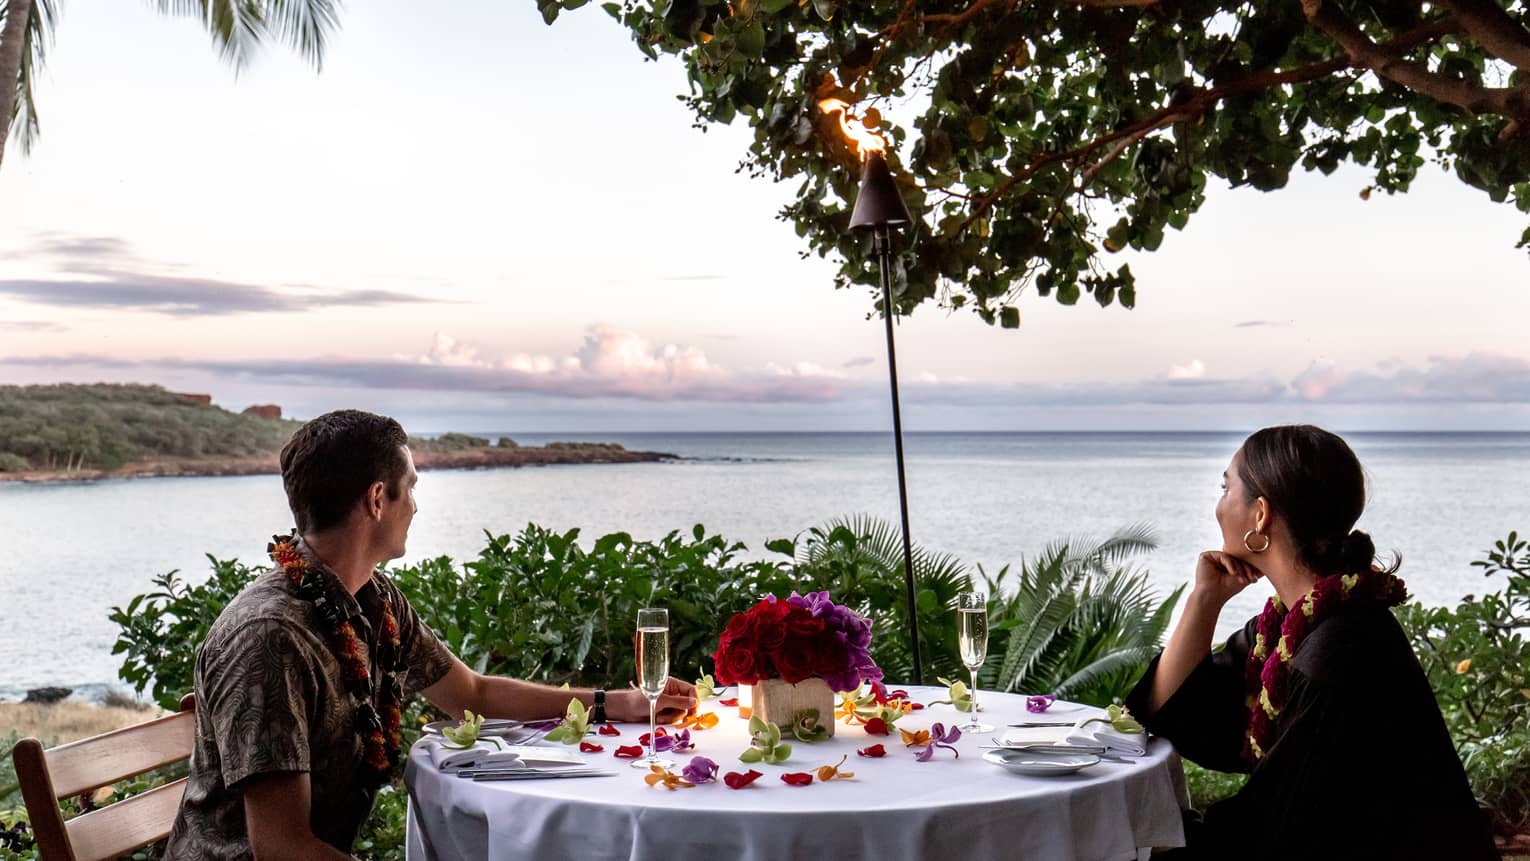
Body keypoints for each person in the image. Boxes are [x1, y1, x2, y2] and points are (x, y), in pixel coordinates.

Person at [164, 410, 695, 859]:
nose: (416, 505)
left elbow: (471, 694)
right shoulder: (271, 638)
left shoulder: (375, 600)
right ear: (378, 499)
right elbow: (282, 848)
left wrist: (616, 704)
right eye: (411, 487)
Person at [1125, 424, 1496, 860]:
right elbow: (1179, 714)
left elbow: (1277, 829)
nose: (1218, 507)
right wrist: (1204, 601)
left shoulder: (1340, 648)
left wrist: (1156, 840)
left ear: (1260, 515)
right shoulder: (1291, 626)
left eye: (1226, 489)